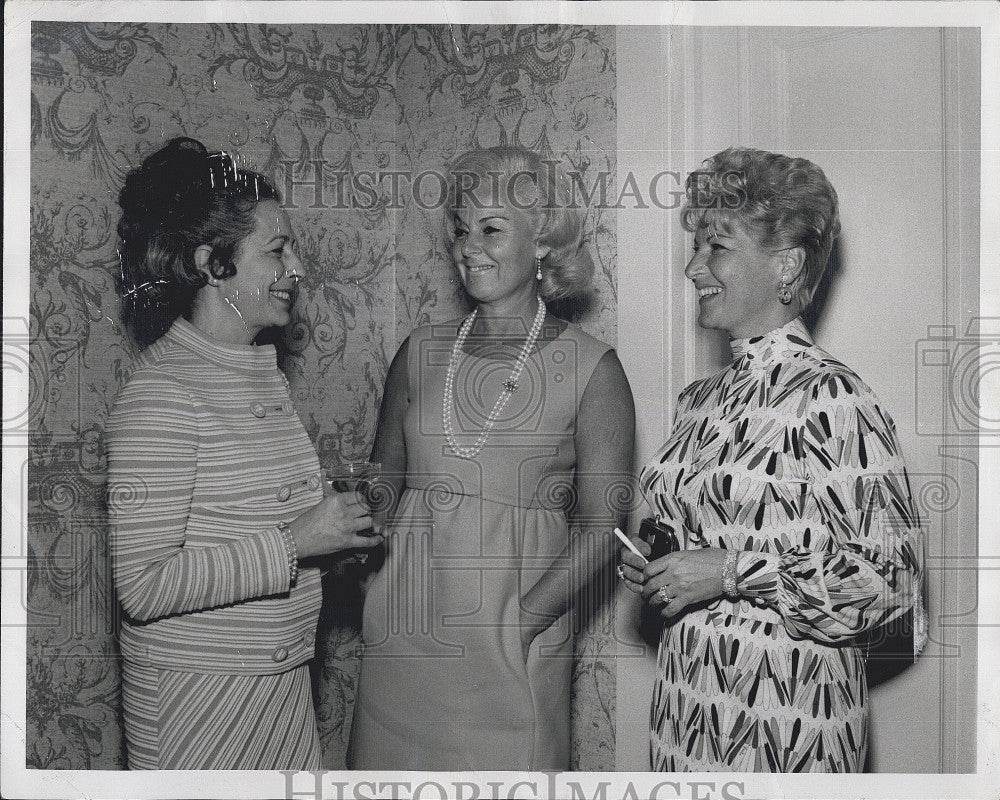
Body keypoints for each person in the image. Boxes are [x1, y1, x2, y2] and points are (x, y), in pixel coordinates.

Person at [619, 147, 926, 772]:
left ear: (786, 264)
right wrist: (663, 562)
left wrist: (731, 572)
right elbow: (710, 545)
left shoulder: (832, 396)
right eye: (697, 246)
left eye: (718, 247)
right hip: (689, 710)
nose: (693, 266)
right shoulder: (699, 401)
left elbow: (892, 585)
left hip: (788, 726)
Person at [347, 146, 635, 770]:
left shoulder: (594, 368)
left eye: (490, 229)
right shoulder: (419, 351)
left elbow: (603, 528)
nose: (467, 247)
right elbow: (381, 488)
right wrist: (372, 581)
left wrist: (524, 623)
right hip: (401, 639)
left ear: (542, 244)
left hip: (508, 645)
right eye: (459, 229)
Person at [105, 137, 382, 770]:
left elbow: (251, 535)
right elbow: (143, 587)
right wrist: (296, 542)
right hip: (197, 705)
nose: (299, 269)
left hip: (279, 689)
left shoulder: (258, 372)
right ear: (212, 263)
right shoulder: (160, 395)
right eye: (278, 250)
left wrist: (334, 540)